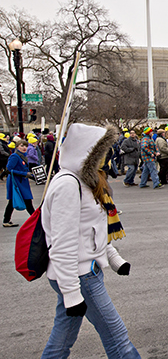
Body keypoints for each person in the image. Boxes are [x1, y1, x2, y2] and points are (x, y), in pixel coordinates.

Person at [40, 124, 139, 358]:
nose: (106, 157)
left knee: (62, 340)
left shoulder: (85, 181)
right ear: (87, 154)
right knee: (118, 340)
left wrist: (114, 259)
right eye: (101, 151)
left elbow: (91, 231)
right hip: (80, 275)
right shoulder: (67, 184)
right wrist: (72, 293)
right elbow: (61, 245)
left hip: (83, 271)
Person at [3, 140, 35, 227]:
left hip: (22, 181)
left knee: (13, 202)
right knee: (27, 200)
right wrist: (24, 174)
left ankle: (6, 220)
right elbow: (9, 169)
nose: (24, 148)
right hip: (16, 182)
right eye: (21, 146)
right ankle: (36, 220)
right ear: (17, 147)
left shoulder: (23, 156)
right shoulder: (15, 156)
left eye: (25, 146)